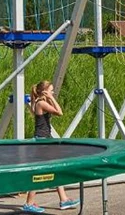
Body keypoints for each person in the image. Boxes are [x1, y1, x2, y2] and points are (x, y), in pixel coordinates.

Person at [23, 80, 80, 213]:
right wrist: (51, 98)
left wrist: (49, 97)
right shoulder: (41, 103)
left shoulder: (39, 102)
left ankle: (64, 199)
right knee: (41, 172)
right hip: (43, 141)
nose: (53, 92)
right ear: (44, 91)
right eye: (51, 90)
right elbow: (60, 112)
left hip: (45, 139)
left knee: (55, 169)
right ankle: (29, 203)